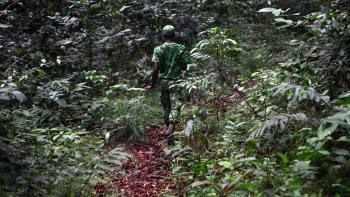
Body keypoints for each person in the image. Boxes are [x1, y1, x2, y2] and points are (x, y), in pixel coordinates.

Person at [145, 25, 190, 145]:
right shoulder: (181, 48)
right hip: (176, 82)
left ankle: (168, 133)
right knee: (176, 107)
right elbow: (184, 66)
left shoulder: (158, 49)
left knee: (166, 108)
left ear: (163, 36)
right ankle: (170, 130)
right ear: (174, 35)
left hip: (163, 82)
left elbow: (155, 69)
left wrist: (152, 84)